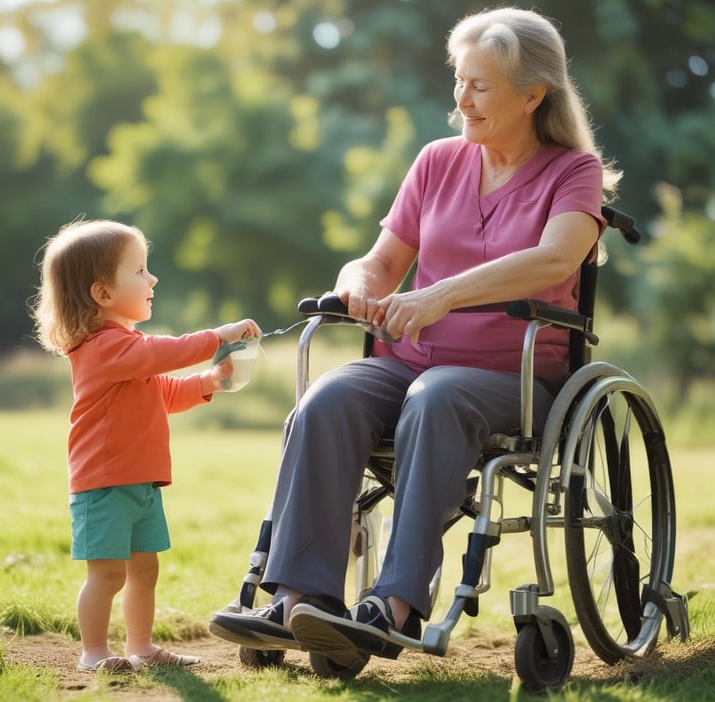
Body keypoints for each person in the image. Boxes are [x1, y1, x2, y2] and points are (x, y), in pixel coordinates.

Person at [209, 6, 621, 666]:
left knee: (437, 395)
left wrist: (439, 296)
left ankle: (392, 605)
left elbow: (555, 258)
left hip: (517, 381)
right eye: (459, 80)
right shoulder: (436, 162)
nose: (461, 97)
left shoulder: (573, 171)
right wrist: (361, 282)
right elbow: (379, 260)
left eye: (480, 85)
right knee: (327, 399)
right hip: (410, 365)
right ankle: (299, 603)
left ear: (532, 93)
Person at [30, 219, 261, 672]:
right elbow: (163, 354)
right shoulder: (101, 348)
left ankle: (141, 647)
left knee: (144, 570)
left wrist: (210, 381)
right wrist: (218, 337)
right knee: (108, 574)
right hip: (105, 483)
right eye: (139, 271)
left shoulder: (127, 349)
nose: (152, 279)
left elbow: (163, 393)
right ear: (102, 294)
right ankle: (94, 652)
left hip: (139, 482)